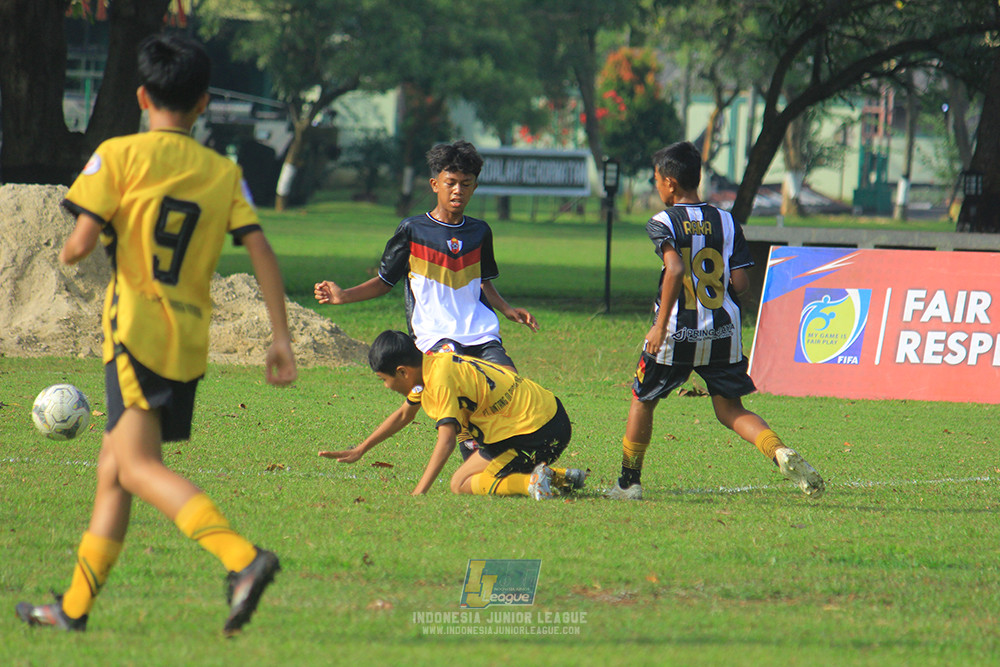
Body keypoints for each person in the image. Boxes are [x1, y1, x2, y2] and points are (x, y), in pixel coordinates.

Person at [15, 34, 297, 634]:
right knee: (113, 469)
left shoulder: (118, 154)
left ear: (142, 96)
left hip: (134, 333)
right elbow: (260, 248)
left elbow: (80, 244)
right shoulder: (223, 171)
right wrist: (281, 337)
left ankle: (242, 559)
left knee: (137, 466)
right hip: (187, 340)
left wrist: (75, 245)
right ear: (202, 103)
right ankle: (73, 608)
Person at [608, 141, 824, 500]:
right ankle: (778, 450)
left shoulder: (663, 222)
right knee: (730, 409)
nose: (656, 185)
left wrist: (659, 326)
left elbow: (674, 269)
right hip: (723, 329)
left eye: (656, 179)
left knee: (642, 399)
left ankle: (628, 483)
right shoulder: (726, 220)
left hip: (676, 332)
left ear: (670, 183)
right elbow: (741, 282)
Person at [315, 140, 536, 463]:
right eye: (451, 183)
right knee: (461, 407)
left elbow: (483, 280)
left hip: (481, 333)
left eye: (465, 184)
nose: (458, 190)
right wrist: (343, 295)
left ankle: (523, 467)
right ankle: (482, 467)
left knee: (512, 392)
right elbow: (385, 281)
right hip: (436, 337)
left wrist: (506, 309)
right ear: (435, 184)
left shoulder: (480, 232)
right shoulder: (412, 230)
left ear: (474, 187)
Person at [367, 330, 585, 499]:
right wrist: (360, 450)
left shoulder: (439, 381)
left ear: (403, 372)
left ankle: (530, 483)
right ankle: (562, 477)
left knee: (461, 483)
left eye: (384, 379)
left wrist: (419, 492)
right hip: (547, 416)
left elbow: (446, 441)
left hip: (533, 432)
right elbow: (403, 415)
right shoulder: (434, 364)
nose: (386, 386)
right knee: (475, 474)